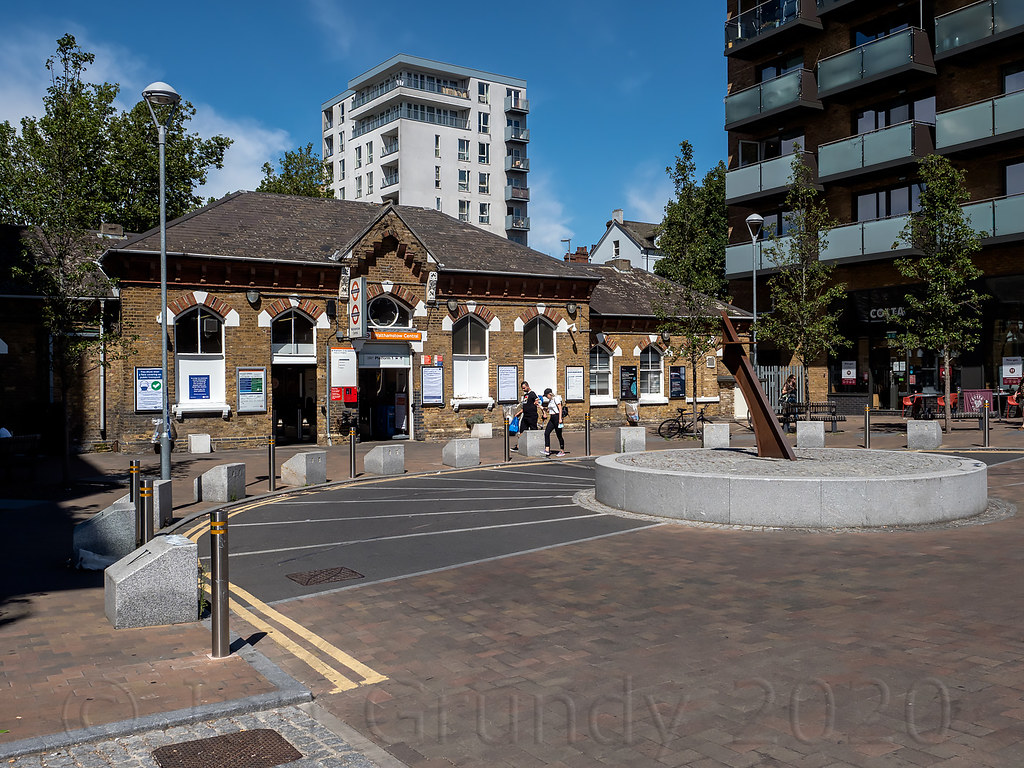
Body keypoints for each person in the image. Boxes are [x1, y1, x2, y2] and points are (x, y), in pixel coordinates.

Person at [511, 381, 540, 451]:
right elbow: (525, 406)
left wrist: (537, 402)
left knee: (534, 431)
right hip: (525, 416)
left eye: (524, 388)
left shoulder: (532, 393)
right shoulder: (525, 396)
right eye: (522, 389)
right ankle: (518, 446)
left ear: (527, 386)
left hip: (532, 416)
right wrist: (519, 413)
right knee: (522, 431)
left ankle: (536, 446)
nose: (523, 390)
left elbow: (537, 400)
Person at [541, 387, 565, 457]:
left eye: (546, 395)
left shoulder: (556, 399)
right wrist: (541, 407)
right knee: (546, 433)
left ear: (550, 394)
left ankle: (562, 451)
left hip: (557, 417)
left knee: (559, 435)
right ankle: (547, 450)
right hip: (552, 418)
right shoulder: (550, 401)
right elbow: (549, 410)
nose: (546, 397)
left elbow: (560, 409)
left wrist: (560, 419)